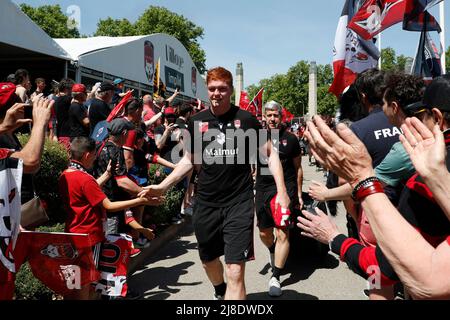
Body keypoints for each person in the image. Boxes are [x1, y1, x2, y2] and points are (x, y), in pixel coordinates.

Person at [143, 67, 290, 300]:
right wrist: (163, 186)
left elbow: (270, 154)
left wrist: (282, 192)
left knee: (235, 270)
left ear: (230, 90)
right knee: (209, 261)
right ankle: (220, 291)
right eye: (212, 89)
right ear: (207, 91)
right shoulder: (197, 121)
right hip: (207, 203)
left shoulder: (246, 119)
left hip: (239, 203)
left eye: (222, 89)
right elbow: (190, 160)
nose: (217, 93)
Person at [299, 106, 450, 300]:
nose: (416, 121)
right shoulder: (426, 158)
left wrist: (334, 237)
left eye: (422, 116)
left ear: (437, 118)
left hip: (381, 217)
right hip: (391, 222)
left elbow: (384, 267)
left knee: (378, 282)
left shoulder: (419, 172)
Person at [58, 137, 160, 300]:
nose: (94, 159)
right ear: (86, 155)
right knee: (88, 282)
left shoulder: (66, 174)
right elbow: (108, 206)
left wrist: (106, 174)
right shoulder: (85, 178)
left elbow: (87, 190)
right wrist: (141, 200)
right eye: (93, 156)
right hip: (89, 237)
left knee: (74, 281)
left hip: (72, 234)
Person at [255, 101, 303, 297]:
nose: (272, 119)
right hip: (262, 189)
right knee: (264, 233)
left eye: (276, 115)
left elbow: (298, 168)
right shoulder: (256, 138)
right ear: (264, 117)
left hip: (285, 190)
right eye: (269, 115)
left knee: (283, 232)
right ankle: (273, 250)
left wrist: (298, 194)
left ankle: (276, 275)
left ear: (281, 117)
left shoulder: (291, 139)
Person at [54, 78, 75, 150]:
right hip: (67, 135)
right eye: (72, 88)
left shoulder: (56, 100)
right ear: (67, 88)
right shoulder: (68, 99)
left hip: (60, 134)